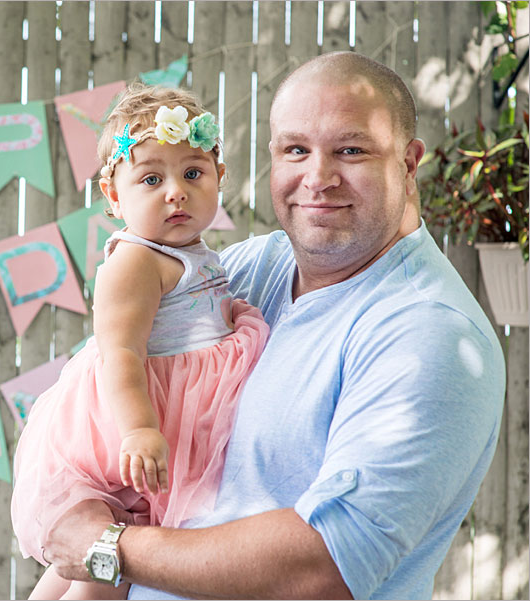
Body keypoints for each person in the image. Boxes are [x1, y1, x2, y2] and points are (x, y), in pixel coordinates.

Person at [40, 51, 507, 600]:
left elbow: (325, 566)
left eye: (350, 150)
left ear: (407, 163)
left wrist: (108, 549)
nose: (319, 178)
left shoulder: (429, 336)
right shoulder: (245, 271)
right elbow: (110, 418)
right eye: (295, 150)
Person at [10, 85, 270, 600]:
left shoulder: (194, 252)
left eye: (193, 173)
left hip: (168, 412)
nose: (176, 191)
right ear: (113, 196)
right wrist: (139, 430)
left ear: (220, 177)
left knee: (106, 556)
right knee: (106, 552)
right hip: (129, 419)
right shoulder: (134, 261)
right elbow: (121, 354)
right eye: (151, 178)